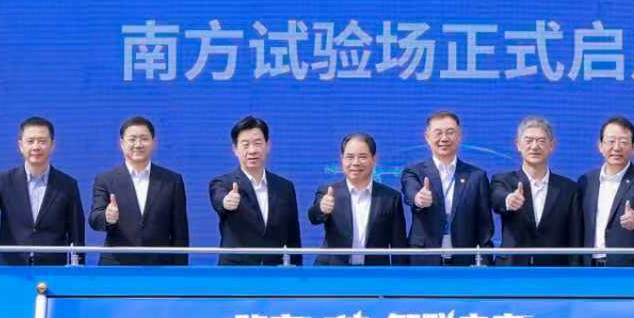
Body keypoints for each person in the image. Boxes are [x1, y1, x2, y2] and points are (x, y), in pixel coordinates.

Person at [0, 117, 86, 267]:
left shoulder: (67, 185)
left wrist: (78, 266)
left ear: (52, 145)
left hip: (52, 268)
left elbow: (76, 231)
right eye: (30, 141)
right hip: (11, 268)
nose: (36, 147)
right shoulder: (4, 181)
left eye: (42, 141)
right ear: (20, 146)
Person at [89, 116, 189, 266]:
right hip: (117, 265)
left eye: (144, 139)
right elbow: (94, 219)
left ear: (154, 142)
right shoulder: (105, 179)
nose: (138, 144)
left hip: (160, 266)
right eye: (132, 139)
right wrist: (107, 217)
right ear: (122, 144)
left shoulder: (172, 180)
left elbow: (180, 230)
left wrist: (180, 270)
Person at [400, 110, 494, 263]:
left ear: (459, 136)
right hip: (424, 259)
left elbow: (484, 225)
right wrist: (419, 199)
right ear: (427, 137)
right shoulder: (414, 172)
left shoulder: (476, 176)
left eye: (450, 132)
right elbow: (411, 193)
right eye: (438, 133)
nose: (444, 138)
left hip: (464, 260)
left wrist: (485, 261)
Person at [209, 115, 302, 266]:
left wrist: (297, 271)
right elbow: (219, 199)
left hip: (274, 272)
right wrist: (227, 202)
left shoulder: (285, 187)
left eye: (257, 143)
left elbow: (293, 236)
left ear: (268, 145)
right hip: (236, 272)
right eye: (245, 145)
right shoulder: (222, 183)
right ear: (235, 149)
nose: (252, 150)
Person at [489, 116, 580, 267]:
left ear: (552, 146)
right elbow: (497, 198)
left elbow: (575, 237)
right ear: (518, 145)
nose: (534, 146)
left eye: (541, 141)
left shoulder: (568, 189)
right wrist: (509, 200)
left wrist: (574, 270)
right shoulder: (504, 181)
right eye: (528, 141)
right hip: (512, 269)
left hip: (554, 270)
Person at [307, 132, 407, 266]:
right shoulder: (328, 192)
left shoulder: (391, 197)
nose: (355, 163)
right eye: (350, 157)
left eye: (362, 157)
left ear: (374, 159)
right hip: (334, 271)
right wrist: (322, 208)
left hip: (374, 273)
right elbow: (313, 217)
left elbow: (398, 245)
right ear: (342, 159)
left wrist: (400, 275)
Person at [576, 115, 634, 266]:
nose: (616, 148)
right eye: (611, 141)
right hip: (590, 267)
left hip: (628, 269)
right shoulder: (586, 181)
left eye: (623, 142)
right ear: (600, 145)